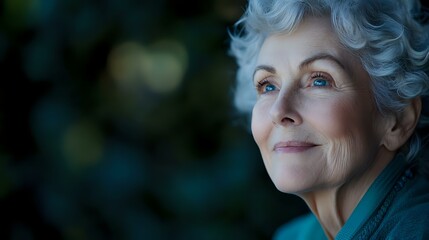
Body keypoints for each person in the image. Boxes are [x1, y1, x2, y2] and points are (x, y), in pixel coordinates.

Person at [228, 0, 429, 239]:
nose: (279, 111)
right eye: (268, 86)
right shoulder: (291, 236)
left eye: (320, 81)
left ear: (398, 120)